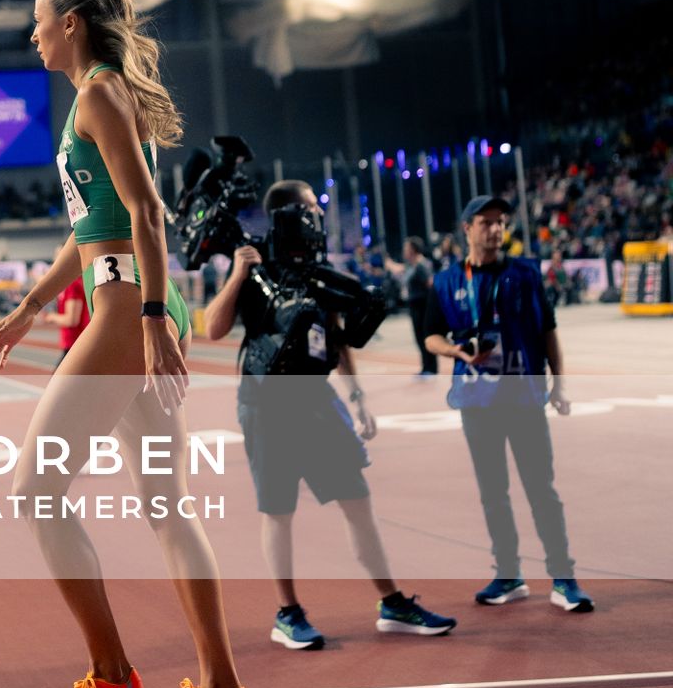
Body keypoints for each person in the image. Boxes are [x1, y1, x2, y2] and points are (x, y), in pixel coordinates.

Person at [0, 0, 251, 688]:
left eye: (37, 19)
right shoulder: (92, 98)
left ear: (70, 24)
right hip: (127, 299)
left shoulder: (98, 93)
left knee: (35, 488)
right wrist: (32, 306)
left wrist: (158, 319)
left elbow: (148, 215)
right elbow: (92, 225)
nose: (31, 33)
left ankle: (110, 676)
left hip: (131, 307)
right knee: (168, 505)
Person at [206, 182, 456, 652]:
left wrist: (357, 396)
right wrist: (238, 274)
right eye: (306, 206)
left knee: (358, 501)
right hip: (266, 402)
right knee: (278, 510)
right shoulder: (254, 262)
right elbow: (214, 326)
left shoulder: (316, 269)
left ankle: (393, 602)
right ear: (284, 212)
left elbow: (335, 338)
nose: (315, 213)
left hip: (318, 399)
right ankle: (288, 613)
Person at [423, 194, 593, 614]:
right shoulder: (446, 282)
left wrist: (559, 384)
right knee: (493, 491)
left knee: (541, 489)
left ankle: (563, 577)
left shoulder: (525, 273)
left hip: (523, 397)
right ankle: (509, 573)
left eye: (501, 223)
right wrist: (458, 353)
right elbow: (430, 335)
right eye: (486, 222)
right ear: (467, 229)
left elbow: (548, 330)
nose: (496, 230)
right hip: (476, 400)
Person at [387, 237, 436, 375]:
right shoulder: (413, 265)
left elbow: (430, 283)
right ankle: (426, 366)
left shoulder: (421, 265)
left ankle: (431, 368)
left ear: (413, 250)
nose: (404, 251)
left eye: (406, 248)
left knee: (425, 337)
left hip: (423, 305)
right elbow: (401, 272)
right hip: (415, 305)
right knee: (419, 338)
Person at [48, 275, 87, 367]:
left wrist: (52, 317)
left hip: (74, 343)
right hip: (76, 343)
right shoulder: (73, 282)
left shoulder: (72, 284)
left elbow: (72, 320)